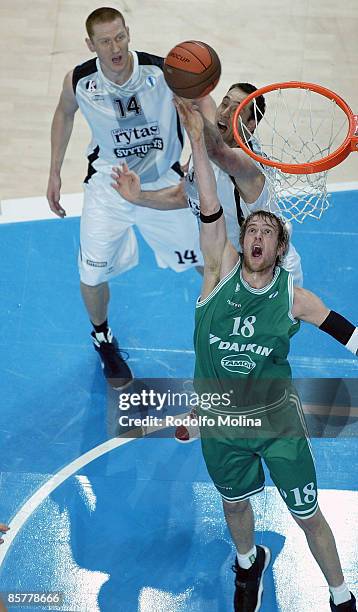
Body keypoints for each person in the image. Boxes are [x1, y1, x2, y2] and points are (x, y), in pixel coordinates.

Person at [174, 97, 357, 612]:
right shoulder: (217, 272)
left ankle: (341, 595)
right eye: (251, 229)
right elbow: (210, 204)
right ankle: (249, 561)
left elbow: (346, 330)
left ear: (279, 250)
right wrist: (195, 138)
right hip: (221, 422)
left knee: (308, 514)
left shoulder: (293, 298)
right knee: (234, 507)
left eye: (267, 232)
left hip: (277, 424)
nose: (256, 234)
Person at [111, 82, 302, 439]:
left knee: (248, 353)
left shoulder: (248, 165)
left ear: (252, 124)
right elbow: (186, 195)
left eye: (237, 109)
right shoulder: (204, 151)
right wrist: (139, 197)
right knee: (209, 338)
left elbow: (220, 155)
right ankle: (213, 405)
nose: (226, 112)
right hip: (227, 263)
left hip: (269, 274)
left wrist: (199, 127)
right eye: (224, 103)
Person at [46, 7, 202, 389]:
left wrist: (198, 169)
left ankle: (231, 327)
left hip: (163, 183)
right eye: (105, 41)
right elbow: (64, 114)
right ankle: (103, 339)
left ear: (128, 33)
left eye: (119, 37)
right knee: (92, 272)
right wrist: (53, 170)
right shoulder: (81, 81)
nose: (114, 48)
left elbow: (196, 115)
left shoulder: (163, 74)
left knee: (208, 258)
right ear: (91, 44)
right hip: (109, 187)